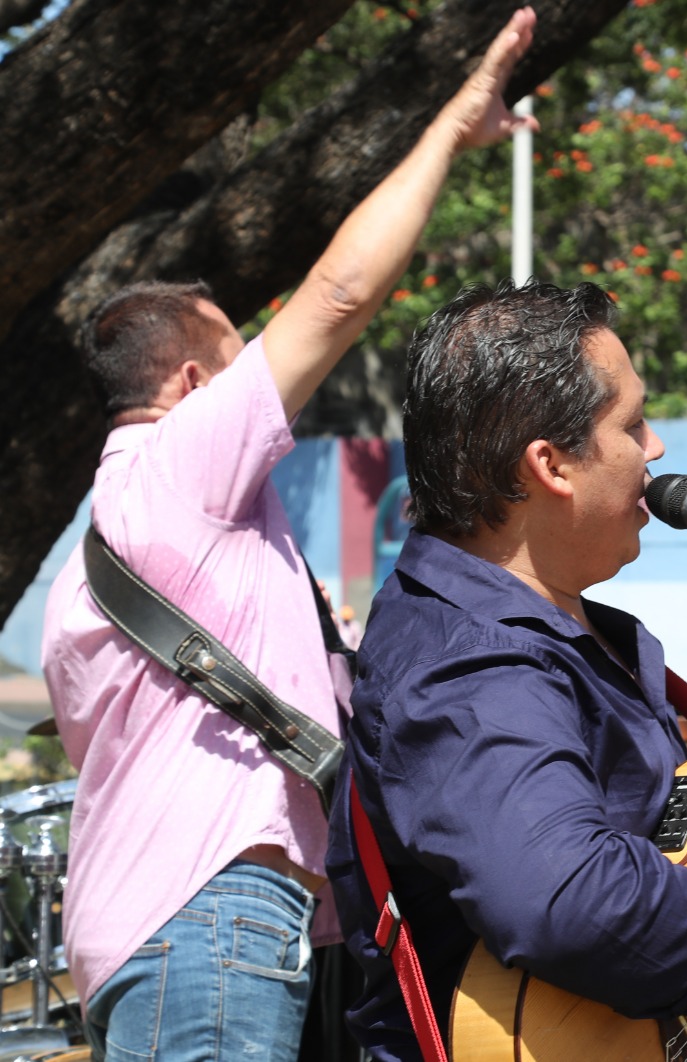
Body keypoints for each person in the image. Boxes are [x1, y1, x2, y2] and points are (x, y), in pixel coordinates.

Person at [39, 10, 539, 1059]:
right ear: (192, 385)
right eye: (242, 363)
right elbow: (342, 293)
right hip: (211, 920)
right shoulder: (180, 467)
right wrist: (453, 124)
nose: (273, 395)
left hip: (167, 931)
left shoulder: (110, 544)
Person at [325, 279, 687, 1060]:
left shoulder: (566, 630)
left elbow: (656, 863)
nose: (658, 446)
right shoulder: (466, 659)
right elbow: (564, 896)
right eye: (633, 422)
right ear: (551, 464)